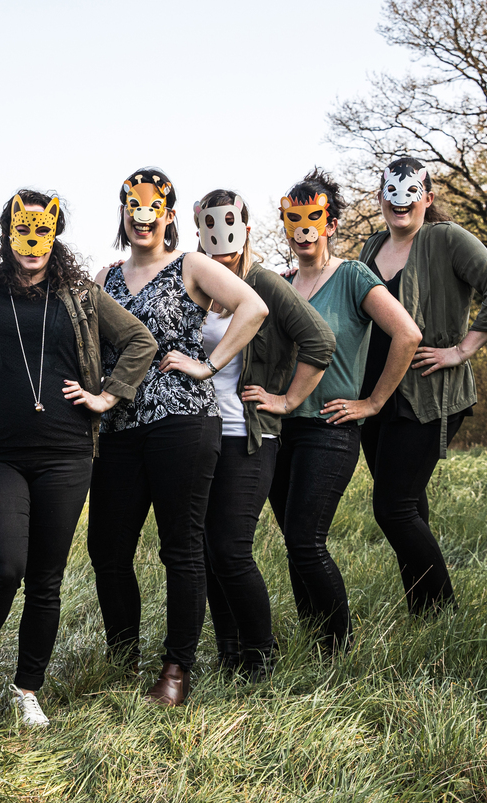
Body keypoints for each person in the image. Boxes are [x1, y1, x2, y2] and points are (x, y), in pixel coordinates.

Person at [0, 189, 156, 729]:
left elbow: (140, 341)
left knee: (47, 579)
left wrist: (108, 396)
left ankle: (26, 689)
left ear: (55, 234)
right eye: (23, 231)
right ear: (7, 234)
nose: (32, 242)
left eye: (43, 231)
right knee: (4, 567)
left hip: (68, 454)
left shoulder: (82, 295)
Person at [87, 168, 268, 706]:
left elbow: (253, 308)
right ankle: (122, 657)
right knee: (107, 549)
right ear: (123, 212)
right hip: (118, 425)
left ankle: (175, 670)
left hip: (182, 421)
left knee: (181, 547)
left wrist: (208, 365)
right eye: (133, 207)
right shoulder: (105, 276)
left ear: (168, 215)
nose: (143, 218)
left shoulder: (191, 264)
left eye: (154, 209)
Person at [358, 158, 487, 615]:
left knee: (393, 509)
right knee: (410, 507)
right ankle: (425, 613)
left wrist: (461, 350)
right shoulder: (371, 246)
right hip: (376, 398)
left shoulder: (446, 238)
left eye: (411, 192)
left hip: (427, 395)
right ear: (380, 198)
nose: (400, 202)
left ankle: (445, 612)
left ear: (427, 198)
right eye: (391, 193)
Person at [269, 168, 421, 653]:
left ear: (331, 225)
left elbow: (408, 335)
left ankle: (338, 649)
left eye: (313, 220)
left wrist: (372, 402)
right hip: (279, 430)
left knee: (306, 540)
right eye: (294, 221)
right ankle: (314, 643)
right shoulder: (280, 285)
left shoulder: (353, 276)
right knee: (294, 543)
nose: (303, 231)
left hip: (328, 430)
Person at [192, 188, 336, 679]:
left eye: (229, 227)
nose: (220, 241)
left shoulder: (265, 283)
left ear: (247, 229)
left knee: (231, 549)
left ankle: (260, 656)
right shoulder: (195, 281)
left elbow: (319, 340)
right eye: (209, 229)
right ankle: (229, 653)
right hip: (202, 433)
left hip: (247, 435)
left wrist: (286, 400)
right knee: (209, 551)